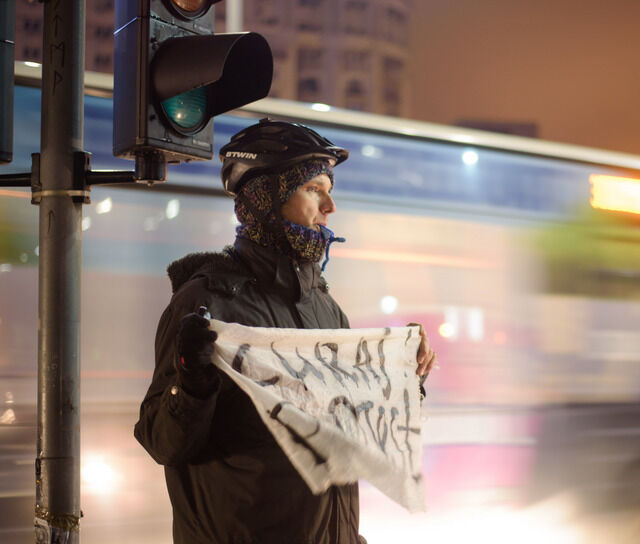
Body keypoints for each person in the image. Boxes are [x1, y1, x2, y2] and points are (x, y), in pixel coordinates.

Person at [134, 118, 437, 544]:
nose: (329, 208)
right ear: (266, 198)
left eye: (329, 192)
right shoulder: (206, 301)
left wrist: (401, 377)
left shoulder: (324, 308)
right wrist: (192, 386)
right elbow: (161, 442)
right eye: (314, 190)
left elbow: (350, 436)